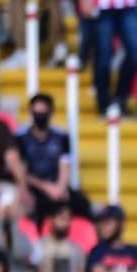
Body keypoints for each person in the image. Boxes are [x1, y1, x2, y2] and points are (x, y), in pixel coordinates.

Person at [15, 94, 89, 224]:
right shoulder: (20, 137)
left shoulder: (61, 137)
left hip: (57, 185)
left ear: (51, 113)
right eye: (37, 112)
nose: (40, 116)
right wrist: (45, 187)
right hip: (33, 186)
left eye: (43, 112)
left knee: (82, 204)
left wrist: (61, 187)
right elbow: (20, 170)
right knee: (37, 207)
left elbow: (65, 164)